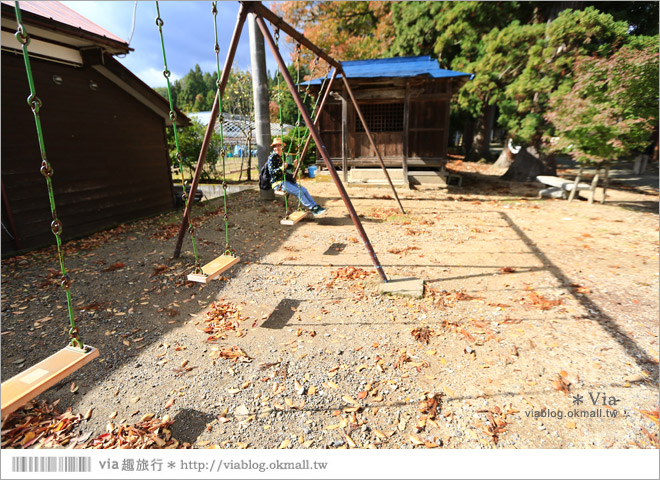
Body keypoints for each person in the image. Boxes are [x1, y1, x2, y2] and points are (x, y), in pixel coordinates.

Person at [267, 138, 327, 216]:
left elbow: (287, 166)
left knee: (304, 190)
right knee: (299, 192)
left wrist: (293, 165)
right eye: (275, 146)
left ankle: (316, 206)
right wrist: (282, 168)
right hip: (278, 183)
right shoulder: (271, 157)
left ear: (283, 147)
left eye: (279, 146)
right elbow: (271, 172)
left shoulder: (283, 155)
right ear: (273, 148)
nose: (277, 148)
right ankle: (312, 208)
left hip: (286, 180)